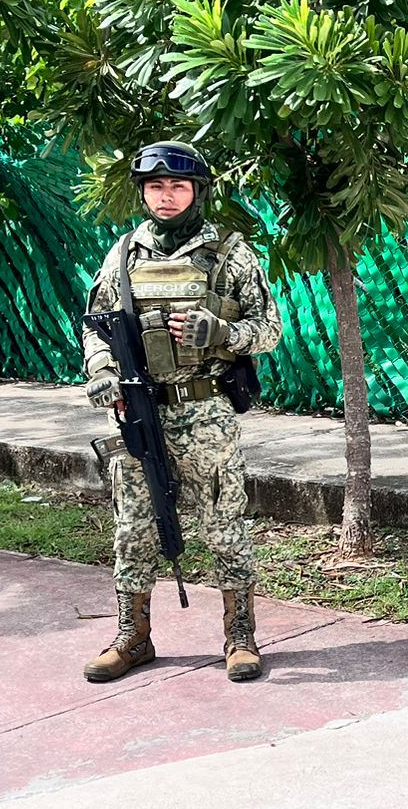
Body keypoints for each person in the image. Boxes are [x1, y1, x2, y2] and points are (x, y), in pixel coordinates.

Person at [80, 141, 283, 683]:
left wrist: (221, 332)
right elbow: (96, 325)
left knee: (223, 524)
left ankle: (240, 636)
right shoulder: (124, 254)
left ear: (197, 191)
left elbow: (269, 330)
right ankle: (133, 637)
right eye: (155, 186)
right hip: (137, 413)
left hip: (205, 414)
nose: (166, 196)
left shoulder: (231, 254)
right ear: (143, 193)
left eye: (177, 186)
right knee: (133, 527)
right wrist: (101, 370)